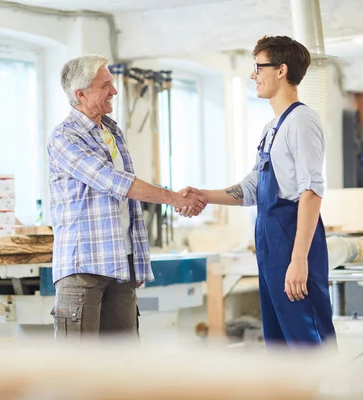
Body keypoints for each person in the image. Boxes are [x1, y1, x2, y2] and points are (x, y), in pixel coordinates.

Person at [179, 35, 336, 347]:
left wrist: (299, 259)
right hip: (269, 243)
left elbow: (311, 191)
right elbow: (252, 188)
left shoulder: (302, 121)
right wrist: (204, 195)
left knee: (307, 338)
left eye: (258, 67)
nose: (253, 75)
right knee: (278, 341)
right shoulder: (271, 128)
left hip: (292, 240)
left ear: (281, 70)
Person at [47, 54, 207, 340]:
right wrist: (174, 198)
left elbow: (126, 195)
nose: (114, 91)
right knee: (78, 368)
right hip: (84, 264)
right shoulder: (65, 137)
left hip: (121, 262)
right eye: (105, 85)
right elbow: (114, 182)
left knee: (123, 364)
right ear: (80, 94)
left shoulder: (112, 131)